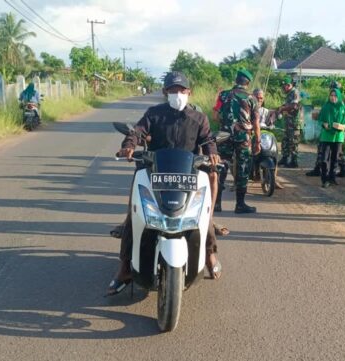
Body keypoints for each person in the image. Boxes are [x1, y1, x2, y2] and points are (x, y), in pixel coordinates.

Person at [106, 71, 223, 296]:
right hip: (154, 173)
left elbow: (208, 140)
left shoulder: (199, 119)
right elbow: (137, 132)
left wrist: (213, 153)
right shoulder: (154, 114)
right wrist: (129, 145)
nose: (177, 94)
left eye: (181, 90)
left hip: (188, 177)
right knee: (135, 217)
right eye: (172, 91)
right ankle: (124, 269)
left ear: (189, 92)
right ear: (165, 92)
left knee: (203, 216)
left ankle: (209, 254)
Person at [214, 69, 261, 214]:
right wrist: (257, 141)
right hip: (243, 137)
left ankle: (216, 203)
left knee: (221, 166)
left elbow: (215, 116)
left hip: (224, 135)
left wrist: (227, 124)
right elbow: (256, 122)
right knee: (242, 168)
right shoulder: (252, 99)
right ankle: (240, 204)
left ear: (236, 80)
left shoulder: (223, 95)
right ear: (248, 83)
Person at [306, 80, 345, 178]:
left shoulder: (340, 103)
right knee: (335, 153)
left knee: (329, 152)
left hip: (336, 133)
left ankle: (321, 170)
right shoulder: (334, 101)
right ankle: (341, 170)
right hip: (329, 132)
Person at [317, 88, 345, 188]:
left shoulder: (343, 108)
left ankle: (332, 178)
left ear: (339, 97)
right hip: (326, 136)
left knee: (335, 159)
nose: (333, 97)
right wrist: (324, 124)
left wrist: (343, 126)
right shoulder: (326, 107)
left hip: (338, 136)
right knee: (324, 159)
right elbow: (320, 120)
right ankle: (324, 179)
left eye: (335, 96)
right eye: (331, 95)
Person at [277, 76, 302, 168]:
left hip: (295, 122)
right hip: (288, 121)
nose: (283, 88)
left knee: (293, 141)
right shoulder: (289, 93)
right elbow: (287, 105)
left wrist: (282, 108)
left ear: (289, 85)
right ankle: (284, 158)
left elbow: (294, 106)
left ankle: (294, 161)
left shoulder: (295, 92)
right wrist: (280, 108)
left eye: (284, 87)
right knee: (285, 140)